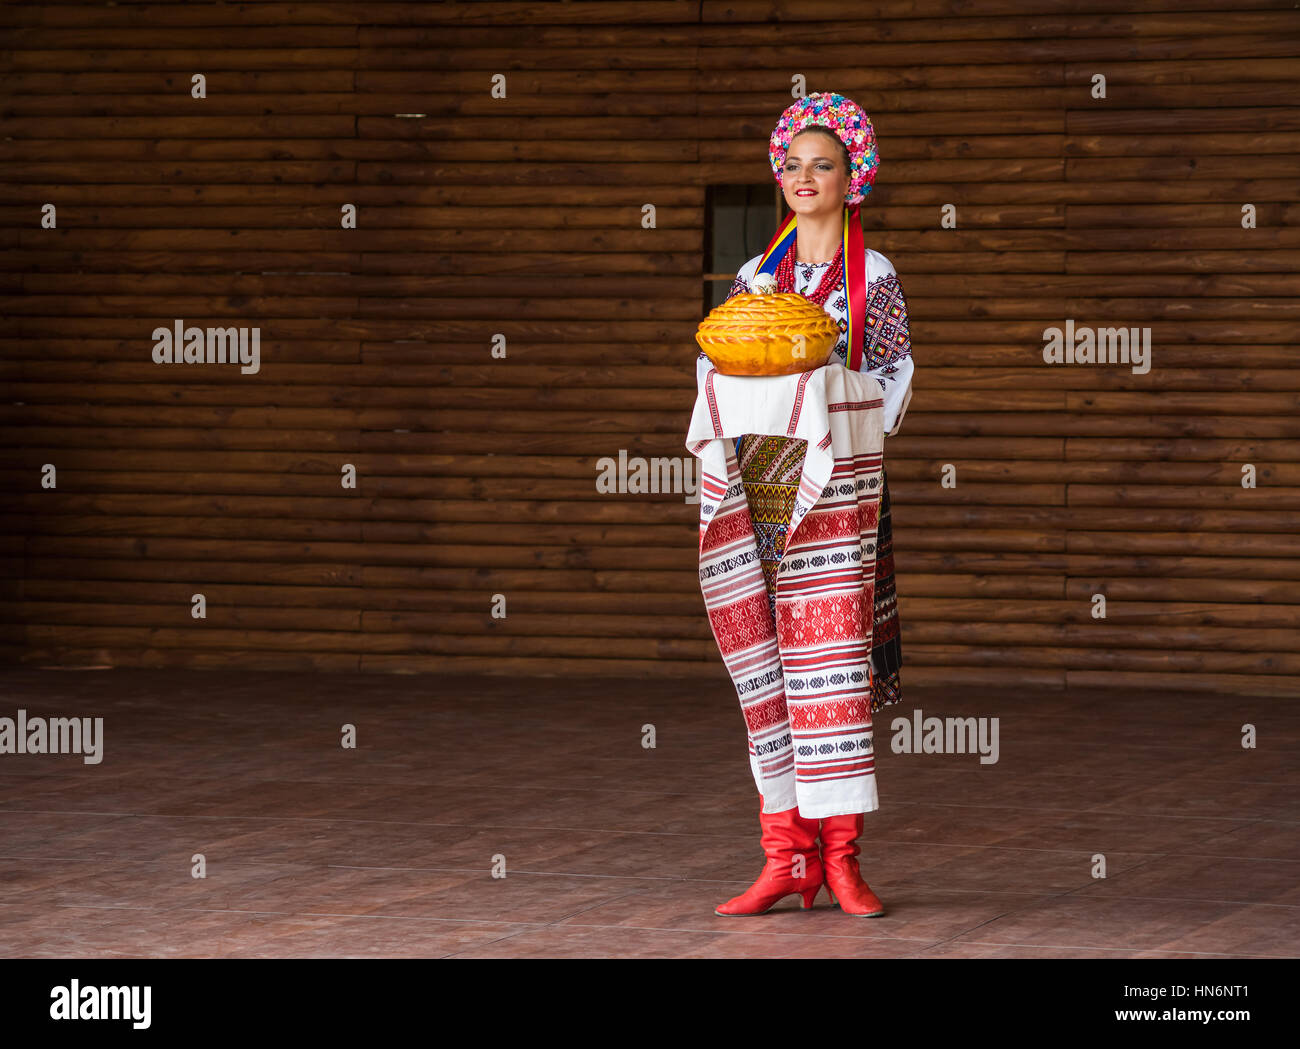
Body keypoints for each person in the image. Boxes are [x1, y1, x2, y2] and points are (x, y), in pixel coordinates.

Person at [705, 92, 913, 918]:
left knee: (832, 667)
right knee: (768, 668)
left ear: (851, 176)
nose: (802, 177)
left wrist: (836, 396)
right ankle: (784, 857)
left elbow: (893, 378)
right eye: (791, 165)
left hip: (841, 493)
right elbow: (728, 371)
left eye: (820, 165)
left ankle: (842, 859)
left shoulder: (874, 277)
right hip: (762, 488)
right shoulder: (760, 277)